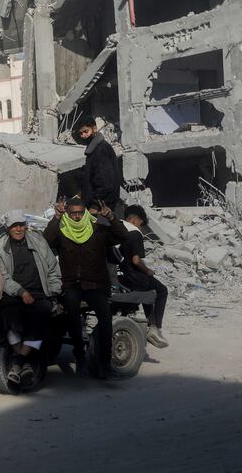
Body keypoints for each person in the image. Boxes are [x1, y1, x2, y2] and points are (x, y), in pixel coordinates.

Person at [44, 195, 128, 378]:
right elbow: (46, 240)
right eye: (72, 214)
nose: (76, 217)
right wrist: (56, 217)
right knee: (72, 315)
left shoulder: (98, 230)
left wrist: (112, 218)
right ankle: (80, 357)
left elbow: (123, 236)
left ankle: (105, 364)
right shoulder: (62, 230)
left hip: (96, 284)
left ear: (85, 213)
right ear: (67, 213)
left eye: (80, 213)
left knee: (105, 319)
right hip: (71, 283)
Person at [0, 209, 61, 385]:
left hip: (40, 292)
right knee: (5, 317)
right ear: (7, 228)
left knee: (41, 318)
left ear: (25, 226)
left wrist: (54, 293)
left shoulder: (38, 241)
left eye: (21, 225)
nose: (18, 229)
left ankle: (17, 362)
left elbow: (53, 268)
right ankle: (24, 360)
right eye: (14, 226)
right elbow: (3, 278)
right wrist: (21, 292)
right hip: (14, 293)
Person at [118, 205, 169, 349]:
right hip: (132, 275)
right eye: (141, 224)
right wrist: (147, 270)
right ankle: (154, 327)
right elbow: (136, 260)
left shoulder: (118, 228)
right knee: (161, 290)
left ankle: (151, 323)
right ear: (135, 220)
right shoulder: (135, 233)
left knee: (148, 286)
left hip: (118, 275)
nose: (140, 227)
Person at [77, 119, 125, 220]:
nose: (83, 136)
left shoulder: (100, 150)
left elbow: (105, 182)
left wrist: (95, 205)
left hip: (102, 209)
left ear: (94, 129)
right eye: (81, 133)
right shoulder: (95, 149)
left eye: (86, 131)